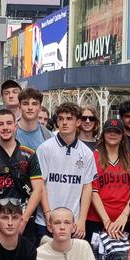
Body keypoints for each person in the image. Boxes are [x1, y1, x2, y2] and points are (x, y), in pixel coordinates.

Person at [0, 109, 44, 236]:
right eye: (0, 124)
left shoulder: (30, 154)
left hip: (25, 220)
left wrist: (23, 220)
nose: (5, 127)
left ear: (15, 126)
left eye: (9, 123)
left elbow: (38, 189)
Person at [36, 102, 96, 239]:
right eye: (61, 118)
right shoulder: (45, 148)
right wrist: (47, 215)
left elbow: (87, 188)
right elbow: (40, 185)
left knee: (71, 259)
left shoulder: (86, 153)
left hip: (72, 222)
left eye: (69, 119)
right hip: (46, 221)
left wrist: (81, 220)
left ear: (78, 122)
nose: (64, 122)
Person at [90, 118, 130, 240]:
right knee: (96, 258)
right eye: (109, 131)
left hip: (126, 221)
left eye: (117, 131)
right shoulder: (93, 157)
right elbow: (93, 192)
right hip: (97, 220)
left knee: (125, 257)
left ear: (122, 136)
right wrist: (107, 221)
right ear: (103, 135)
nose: (112, 134)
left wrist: (124, 215)